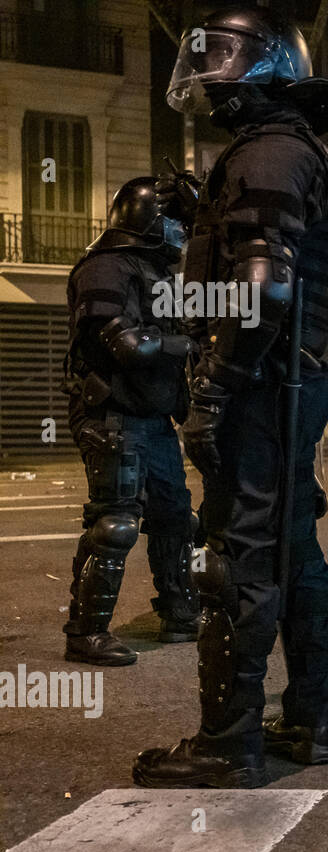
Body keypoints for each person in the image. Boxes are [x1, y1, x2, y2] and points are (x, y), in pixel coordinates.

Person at [133, 6, 328, 788]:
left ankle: (229, 742)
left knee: (237, 562)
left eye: (218, 73)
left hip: (262, 387)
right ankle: (311, 715)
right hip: (286, 383)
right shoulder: (291, 153)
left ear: (260, 72)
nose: (210, 93)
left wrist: (217, 389)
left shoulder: (268, 155)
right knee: (293, 555)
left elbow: (262, 288)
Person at [61, 178, 199, 667]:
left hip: (150, 414)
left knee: (175, 517)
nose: (182, 232)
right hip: (112, 412)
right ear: (148, 219)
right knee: (116, 521)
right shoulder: (106, 267)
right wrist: (188, 345)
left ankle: (180, 614)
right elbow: (130, 347)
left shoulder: (151, 270)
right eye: (175, 222)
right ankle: (86, 633)